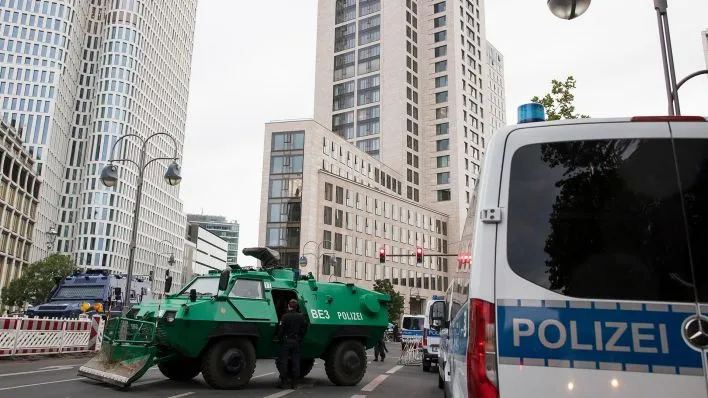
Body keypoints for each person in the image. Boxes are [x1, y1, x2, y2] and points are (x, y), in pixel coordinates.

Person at [276, 298, 309, 389]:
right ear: (296, 307)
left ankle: (284, 382)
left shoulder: (284, 317)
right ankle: (295, 383)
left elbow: (281, 330)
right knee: (296, 361)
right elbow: (304, 328)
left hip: (286, 341)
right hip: (296, 341)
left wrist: (279, 338)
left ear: (289, 306)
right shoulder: (300, 317)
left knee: (283, 361)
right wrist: (299, 338)